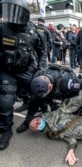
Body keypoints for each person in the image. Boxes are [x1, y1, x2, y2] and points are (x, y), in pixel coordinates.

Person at [0, 0, 47, 150]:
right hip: (7, 71)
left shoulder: (34, 32)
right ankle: (6, 131)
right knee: (5, 102)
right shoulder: (2, 28)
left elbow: (43, 52)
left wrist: (42, 71)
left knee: (41, 92)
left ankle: (32, 117)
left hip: (27, 70)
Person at [28, 93, 82, 166]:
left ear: (39, 117)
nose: (38, 123)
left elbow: (76, 101)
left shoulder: (57, 112)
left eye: (37, 120)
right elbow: (69, 139)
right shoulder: (51, 135)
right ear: (37, 131)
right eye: (36, 125)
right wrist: (71, 151)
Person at [16, 64, 82, 133]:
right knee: (34, 98)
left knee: (68, 115)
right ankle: (28, 120)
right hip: (52, 92)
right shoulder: (37, 76)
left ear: (50, 86)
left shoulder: (67, 82)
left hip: (68, 94)